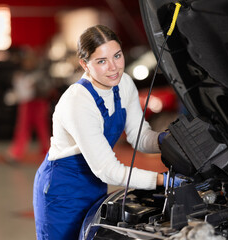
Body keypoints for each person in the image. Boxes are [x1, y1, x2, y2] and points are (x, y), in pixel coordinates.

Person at [32, 25, 185, 240]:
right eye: (101, 61)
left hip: (94, 185)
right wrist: (162, 180)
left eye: (117, 56)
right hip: (63, 188)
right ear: (84, 64)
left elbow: (139, 137)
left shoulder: (124, 84)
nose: (114, 68)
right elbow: (107, 169)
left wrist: (164, 139)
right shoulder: (78, 101)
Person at [5, 47, 54, 165]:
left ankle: (48, 153)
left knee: (42, 129)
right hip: (26, 104)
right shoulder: (21, 74)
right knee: (23, 128)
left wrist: (36, 87)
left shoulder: (40, 74)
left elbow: (47, 88)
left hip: (39, 103)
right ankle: (16, 153)